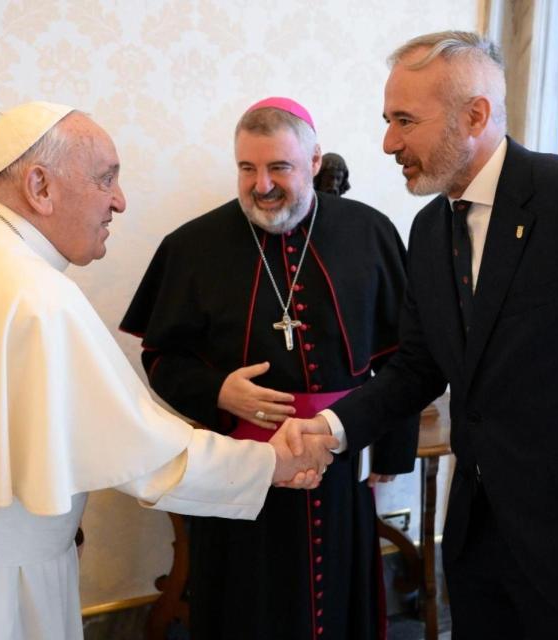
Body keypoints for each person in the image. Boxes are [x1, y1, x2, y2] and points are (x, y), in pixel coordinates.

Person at [0, 101, 337, 640]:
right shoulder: (36, 297)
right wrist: (270, 462)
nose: (119, 200)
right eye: (106, 179)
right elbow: (146, 456)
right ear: (40, 188)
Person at [277, 31, 558, 639]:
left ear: (476, 115)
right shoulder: (429, 230)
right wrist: (331, 430)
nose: (389, 143)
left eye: (405, 121)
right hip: (478, 547)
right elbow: (418, 365)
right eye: (388, 120)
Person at [120, 97, 418, 640]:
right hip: (240, 466)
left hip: (339, 457)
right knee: (245, 609)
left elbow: (404, 354)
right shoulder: (193, 246)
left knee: (340, 606)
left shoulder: (369, 233)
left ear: (314, 162)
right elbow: (159, 356)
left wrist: (390, 450)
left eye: (278, 167)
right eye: (247, 168)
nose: (262, 185)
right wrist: (218, 391)